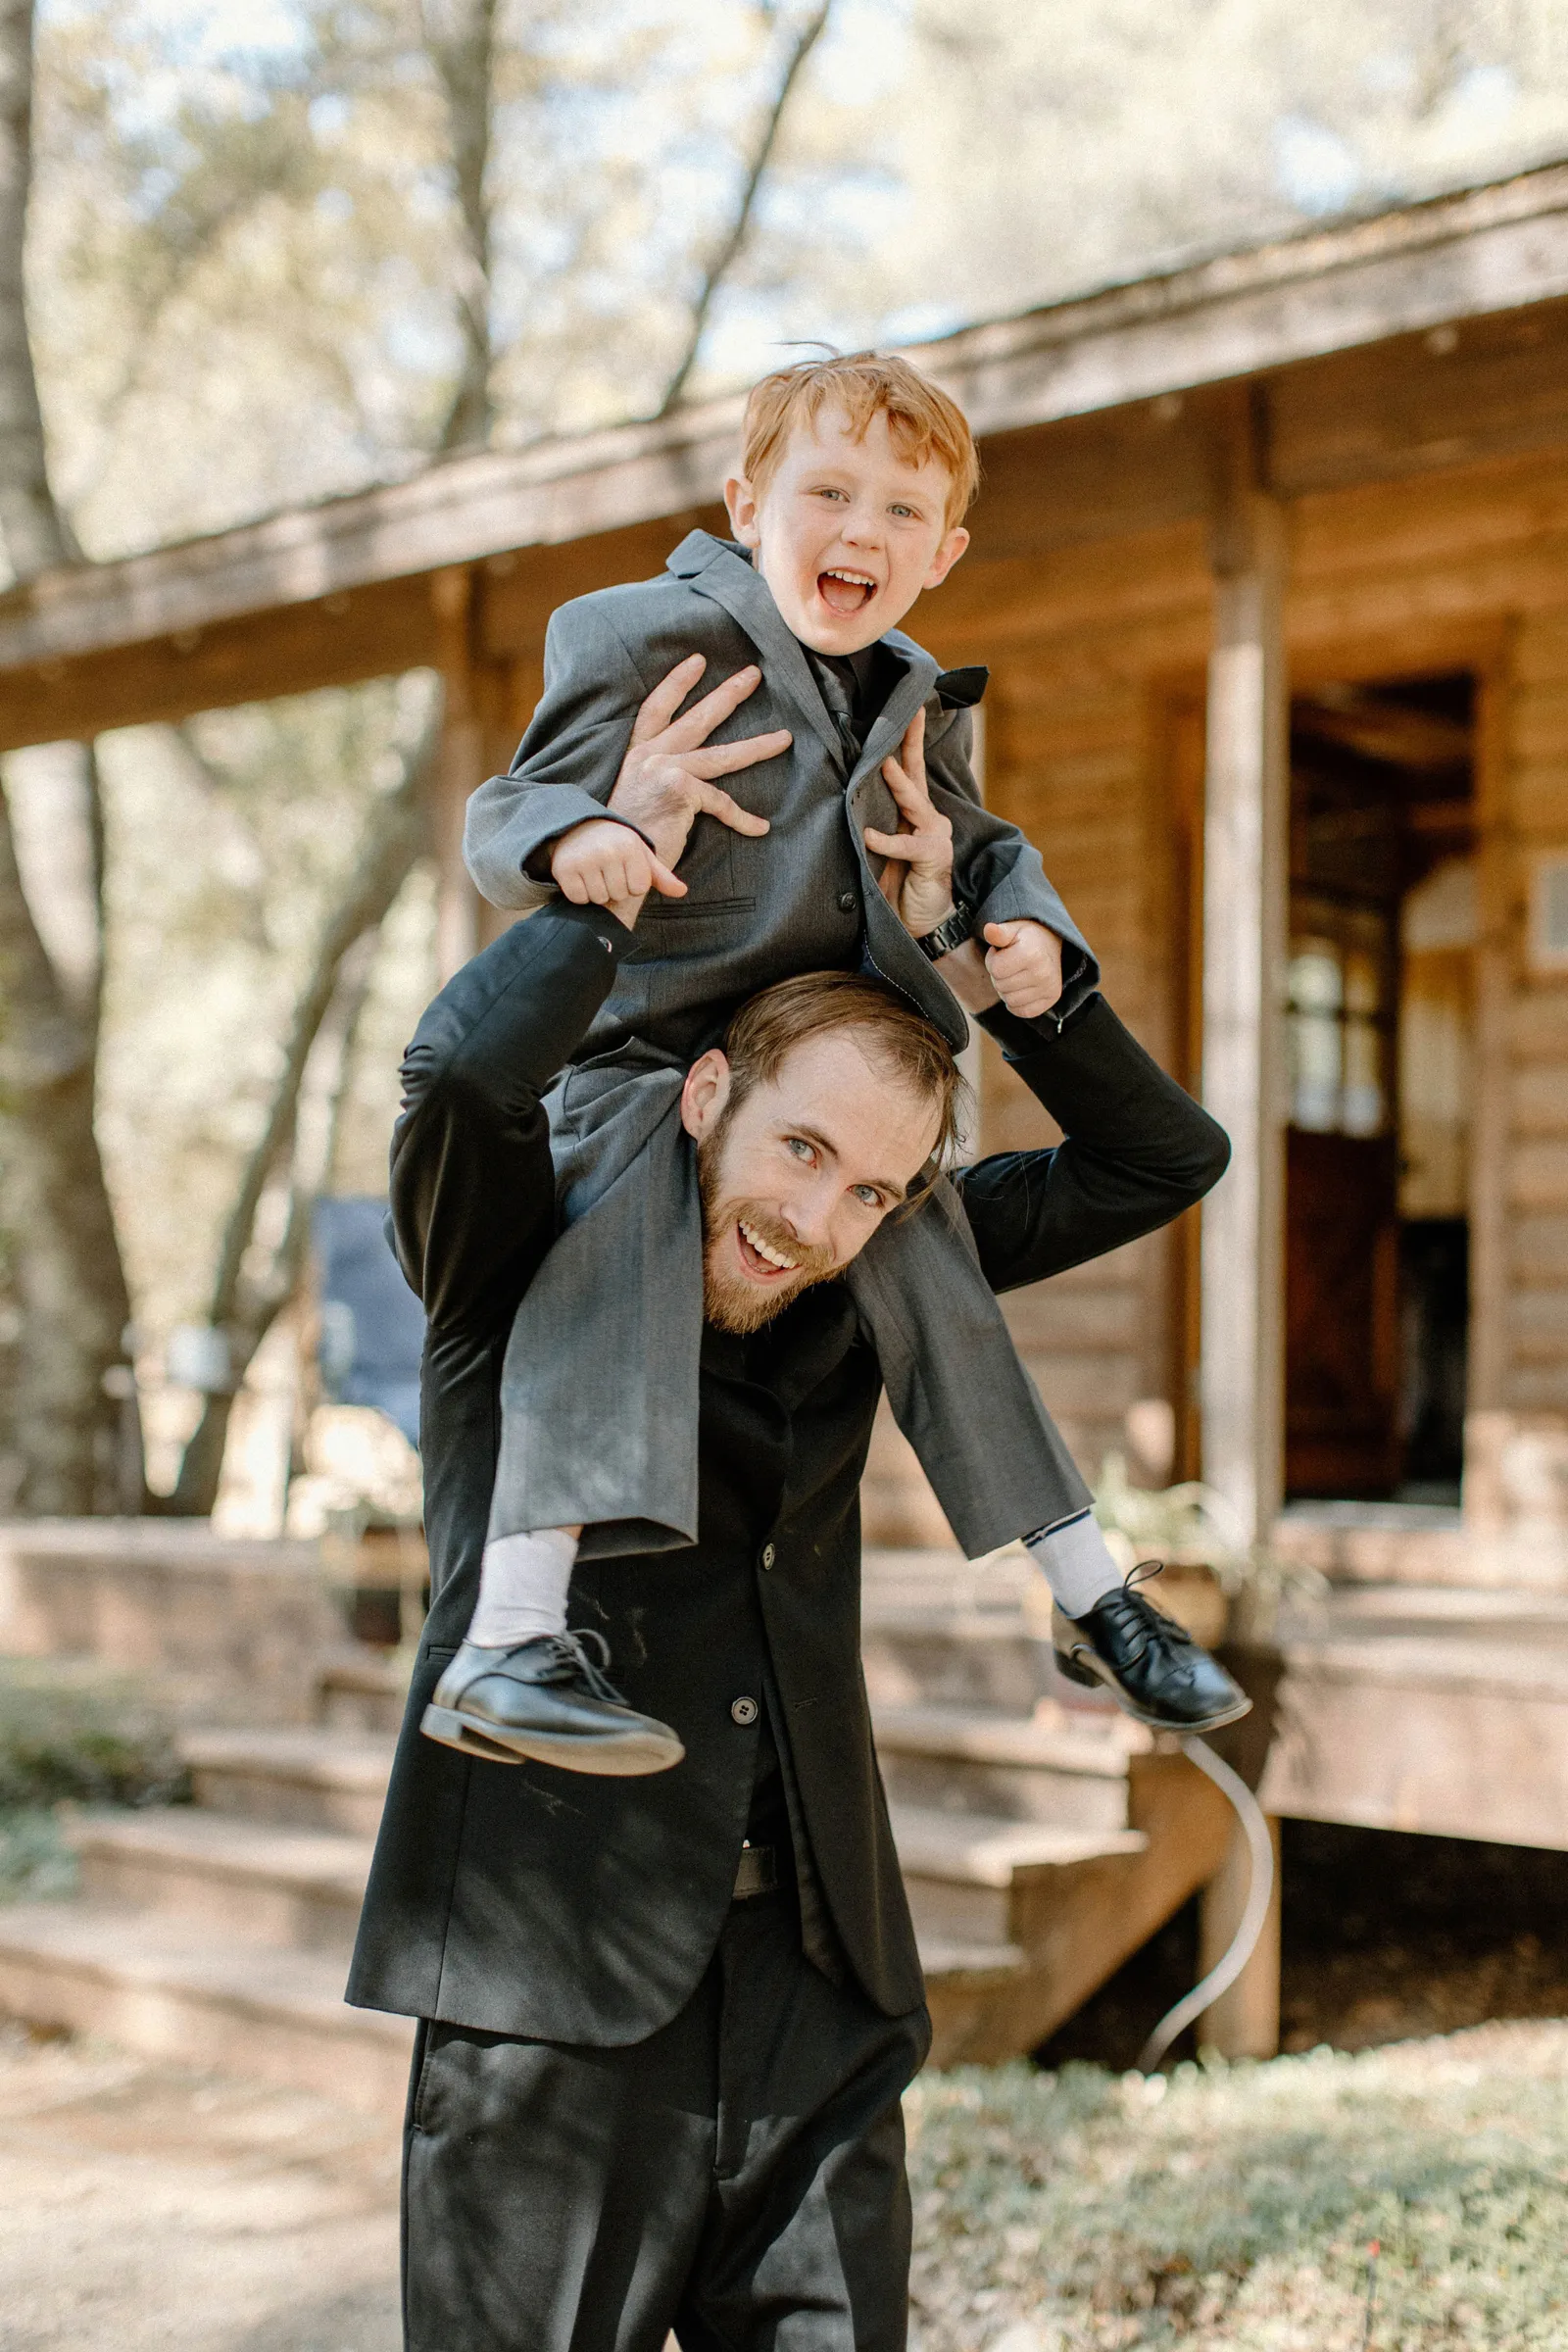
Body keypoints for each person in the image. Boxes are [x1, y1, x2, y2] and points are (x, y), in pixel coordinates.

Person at [346, 855, 1231, 2349]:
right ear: (706, 1094)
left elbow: (1163, 1161)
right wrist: (607, 884)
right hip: (556, 1994)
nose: (817, 1220)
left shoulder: (870, 1275)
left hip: (819, 1992)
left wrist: (1038, 983)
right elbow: (454, 1076)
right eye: (802, 1149)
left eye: (873, 1187)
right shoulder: (504, 1250)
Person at [433, 351, 1248, 1772]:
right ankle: (510, 1633)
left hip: (824, 1078)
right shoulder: (638, 637)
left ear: (943, 555)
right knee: (624, 1191)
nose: (861, 530)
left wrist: (1021, 933)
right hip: (647, 1066)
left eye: (900, 511)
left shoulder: (917, 695)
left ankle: (1093, 1598)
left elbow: (980, 847)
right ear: (748, 503)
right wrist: (588, 837)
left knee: (918, 1228)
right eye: (829, 493)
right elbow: (508, 807)